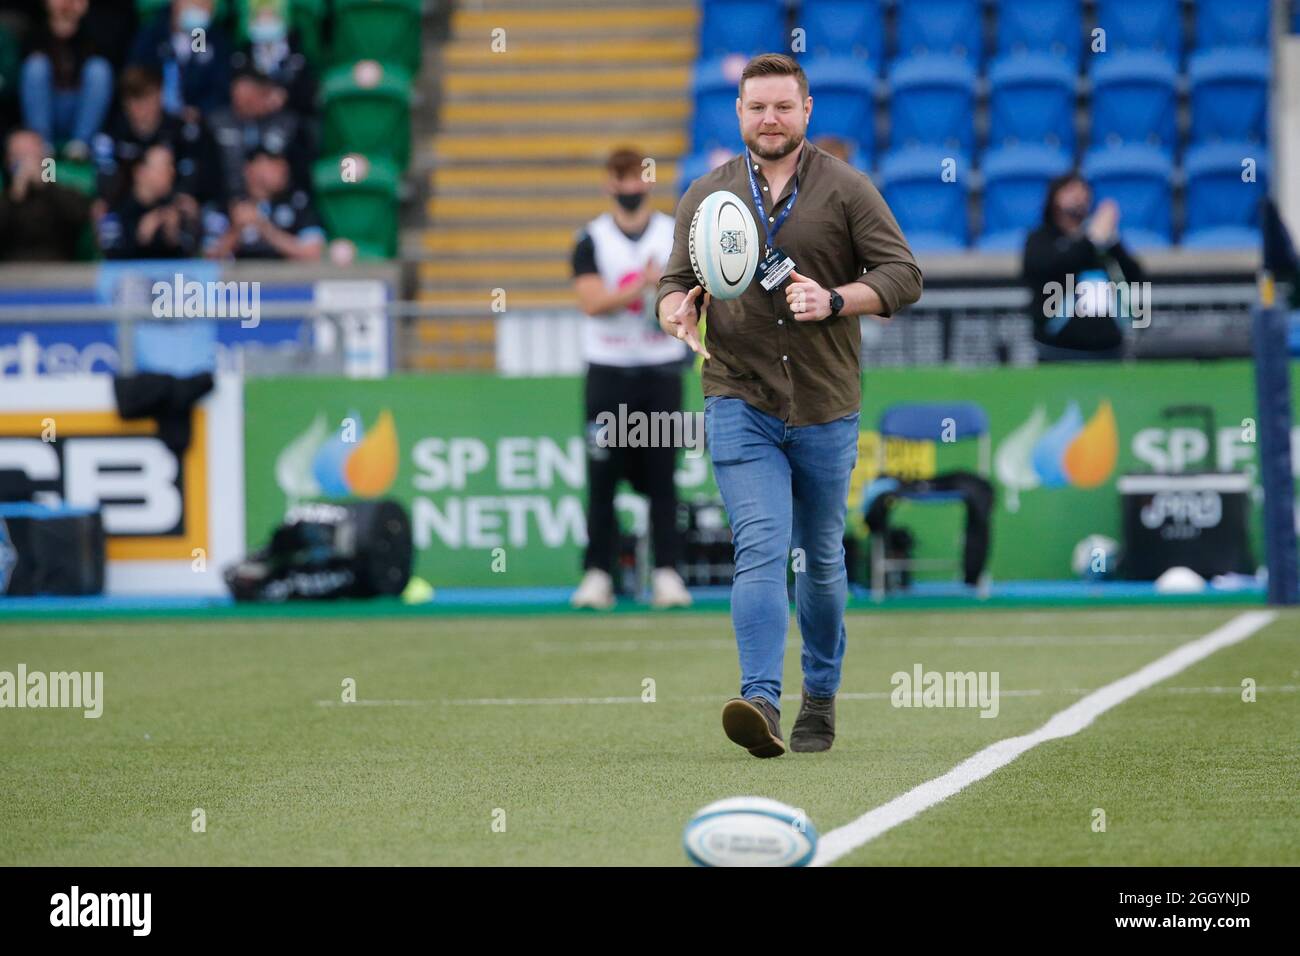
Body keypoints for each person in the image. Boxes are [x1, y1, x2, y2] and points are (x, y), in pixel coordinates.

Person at [656, 53, 922, 758]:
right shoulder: (706, 195)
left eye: (782, 106)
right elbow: (673, 284)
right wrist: (674, 311)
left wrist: (835, 299)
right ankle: (762, 703)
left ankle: (822, 699)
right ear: (738, 114)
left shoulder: (846, 189)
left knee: (823, 558)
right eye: (756, 107)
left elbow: (905, 275)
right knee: (760, 549)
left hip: (825, 403)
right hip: (737, 396)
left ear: (806, 113)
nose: (769, 119)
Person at [569, 146, 693, 611]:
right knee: (601, 478)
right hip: (608, 371)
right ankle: (597, 574)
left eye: (636, 178)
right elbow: (591, 301)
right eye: (621, 179)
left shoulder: (672, 235)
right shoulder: (592, 239)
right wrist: (642, 286)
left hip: (660, 371)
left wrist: (666, 293)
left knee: (663, 477)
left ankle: (667, 573)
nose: (629, 189)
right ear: (609, 184)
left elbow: (691, 297)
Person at [1022, 173, 1145, 360]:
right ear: (1054, 197)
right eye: (1070, 190)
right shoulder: (1040, 239)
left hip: (1110, 351)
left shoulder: (1105, 242)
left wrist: (1112, 241)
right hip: (1055, 351)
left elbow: (1135, 278)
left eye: (1083, 191)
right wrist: (1092, 239)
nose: (1079, 196)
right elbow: (1049, 268)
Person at [92, 65, 223, 207]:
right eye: (134, 100)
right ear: (125, 103)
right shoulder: (112, 133)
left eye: (146, 98)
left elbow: (202, 180)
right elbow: (106, 185)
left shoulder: (182, 131)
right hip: (127, 206)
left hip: (174, 208)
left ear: (159, 95)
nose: (140, 108)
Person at [19, 0, 112, 159]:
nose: (66, 4)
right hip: (47, 109)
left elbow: (108, 56)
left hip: (80, 109)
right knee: (35, 66)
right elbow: (26, 66)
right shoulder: (36, 26)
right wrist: (53, 29)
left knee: (99, 69)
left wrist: (79, 25)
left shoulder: (91, 28)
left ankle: (80, 146)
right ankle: (42, 146)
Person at [205, 144, 323, 261]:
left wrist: (264, 227)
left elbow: (313, 253)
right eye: (272, 162)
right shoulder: (226, 203)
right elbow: (209, 257)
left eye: (282, 162)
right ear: (249, 169)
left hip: (285, 277)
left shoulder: (297, 202)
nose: (282, 168)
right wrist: (236, 229)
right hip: (238, 278)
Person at [129, 0, 232, 119]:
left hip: (195, 122)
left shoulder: (204, 37)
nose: (204, 11)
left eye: (208, 5)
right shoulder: (152, 34)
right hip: (152, 117)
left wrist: (199, 110)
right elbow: (135, 78)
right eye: (197, 3)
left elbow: (220, 86)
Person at [98, 143, 203, 259]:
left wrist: (173, 238)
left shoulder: (176, 208)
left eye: (172, 166)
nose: (172, 172)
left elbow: (193, 261)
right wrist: (139, 238)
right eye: (165, 167)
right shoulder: (117, 208)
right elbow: (110, 259)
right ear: (141, 172)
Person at [0, 127, 90, 260]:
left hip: (57, 269)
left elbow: (80, 219)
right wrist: (16, 194)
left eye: (32, 155)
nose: (27, 163)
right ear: (8, 162)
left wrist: (44, 185)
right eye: (20, 156)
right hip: (11, 271)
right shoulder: (6, 200)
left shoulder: (63, 193)